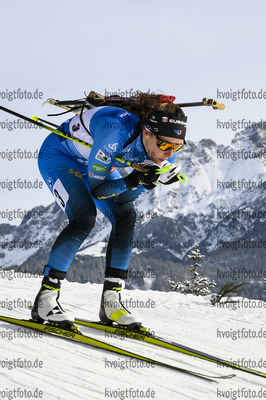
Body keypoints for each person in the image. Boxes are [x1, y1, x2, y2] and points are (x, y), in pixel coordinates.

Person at [31, 92, 187, 331]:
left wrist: (147, 182)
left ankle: (111, 303)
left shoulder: (161, 146)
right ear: (146, 133)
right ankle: (45, 299)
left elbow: (123, 198)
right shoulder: (115, 132)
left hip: (96, 164)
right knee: (84, 217)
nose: (169, 153)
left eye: (177, 147)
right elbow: (99, 191)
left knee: (126, 215)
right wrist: (135, 180)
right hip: (60, 157)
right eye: (165, 145)